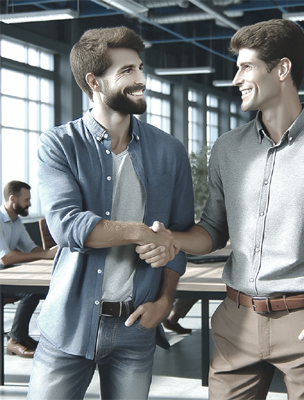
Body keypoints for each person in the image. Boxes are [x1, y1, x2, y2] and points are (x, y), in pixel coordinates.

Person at [137, 19, 304, 399]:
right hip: (234, 320)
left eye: (246, 67)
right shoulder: (226, 148)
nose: (236, 78)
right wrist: (173, 239)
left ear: (282, 69)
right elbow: (212, 230)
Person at [27, 26, 194, 400]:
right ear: (94, 82)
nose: (141, 80)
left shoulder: (169, 151)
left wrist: (165, 302)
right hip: (68, 325)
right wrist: (140, 232)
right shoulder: (59, 145)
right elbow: (68, 226)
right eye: (127, 71)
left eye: (139, 68)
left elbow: (178, 235)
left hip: (136, 327)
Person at [0, 180, 57, 358]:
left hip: (7, 275)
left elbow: (31, 249)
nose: (29, 204)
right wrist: (44, 255)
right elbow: (5, 257)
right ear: (12, 199)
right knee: (30, 292)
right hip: (3, 277)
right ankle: (15, 339)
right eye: (26, 200)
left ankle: (21, 336)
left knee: (39, 291)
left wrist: (51, 253)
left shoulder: (16, 222)